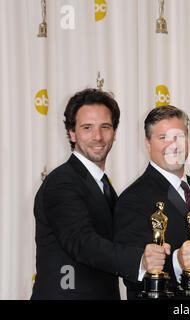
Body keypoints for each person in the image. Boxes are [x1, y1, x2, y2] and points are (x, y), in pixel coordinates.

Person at [32, 88, 147, 299]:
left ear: (114, 132)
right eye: (87, 128)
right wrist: (141, 260)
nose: (98, 136)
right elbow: (82, 242)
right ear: (72, 133)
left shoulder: (103, 186)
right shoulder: (62, 181)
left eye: (105, 127)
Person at [113, 106, 190, 299]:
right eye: (163, 138)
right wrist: (178, 262)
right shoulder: (132, 199)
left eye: (179, 136)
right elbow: (132, 274)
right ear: (148, 143)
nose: (173, 145)